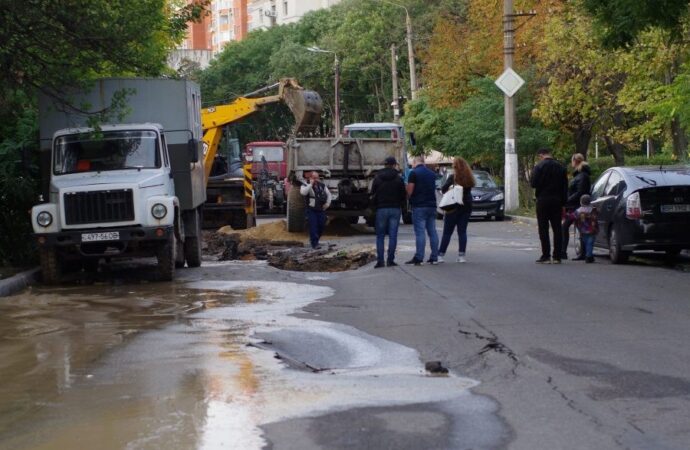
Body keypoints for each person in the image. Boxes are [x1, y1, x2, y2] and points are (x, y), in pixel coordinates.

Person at [530, 148, 568, 264]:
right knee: (557, 228)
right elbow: (565, 187)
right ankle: (557, 256)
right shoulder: (561, 167)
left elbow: (533, 183)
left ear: (541, 155)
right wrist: (564, 203)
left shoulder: (539, 166)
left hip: (543, 200)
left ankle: (546, 255)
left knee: (543, 228)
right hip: (557, 200)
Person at [371, 156, 407, 268]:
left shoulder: (377, 178)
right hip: (395, 209)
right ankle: (390, 260)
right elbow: (403, 195)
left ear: (385, 165)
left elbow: (373, 193)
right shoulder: (398, 178)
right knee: (393, 235)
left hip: (381, 209)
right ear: (394, 165)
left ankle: (380, 261)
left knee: (380, 236)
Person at [438, 157, 475, 263]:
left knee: (447, 233)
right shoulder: (469, 177)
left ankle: (440, 255)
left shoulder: (453, 177)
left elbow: (443, 189)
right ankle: (461, 256)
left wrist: (450, 188)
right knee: (462, 232)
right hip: (466, 206)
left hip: (453, 207)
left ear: (455, 166)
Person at [405, 155, 439, 265]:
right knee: (432, 232)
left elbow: (410, 191)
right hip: (432, 205)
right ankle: (434, 256)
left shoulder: (413, 173)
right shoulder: (431, 174)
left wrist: (407, 195)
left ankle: (419, 257)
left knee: (420, 233)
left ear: (415, 162)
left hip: (419, 206)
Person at [562, 153, 591, 260]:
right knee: (580, 229)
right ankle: (583, 254)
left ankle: (565, 252)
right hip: (575, 206)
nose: (571, 163)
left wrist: (567, 200)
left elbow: (579, 192)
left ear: (576, 161)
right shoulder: (580, 175)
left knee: (566, 227)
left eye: (572, 161)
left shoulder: (582, 176)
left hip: (577, 207)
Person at [300, 171, 331, 249]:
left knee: (321, 226)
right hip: (311, 210)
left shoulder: (322, 185)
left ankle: (315, 240)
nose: (316, 179)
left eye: (317, 178)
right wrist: (310, 184)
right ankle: (314, 243)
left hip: (321, 210)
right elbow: (303, 193)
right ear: (310, 178)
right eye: (314, 178)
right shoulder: (305, 185)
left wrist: (327, 204)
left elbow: (329, 194)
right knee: (313, 226)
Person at [573, 194, 598, 263]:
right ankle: (589, 256)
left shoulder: (578, 211)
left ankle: (589, 255)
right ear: (590, 201)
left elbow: (573, 217)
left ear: (581, 202)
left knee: (586, 242)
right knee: (590, 243)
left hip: (583, 230)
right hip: (592, 229)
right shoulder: (593, 210)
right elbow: (595, 218)